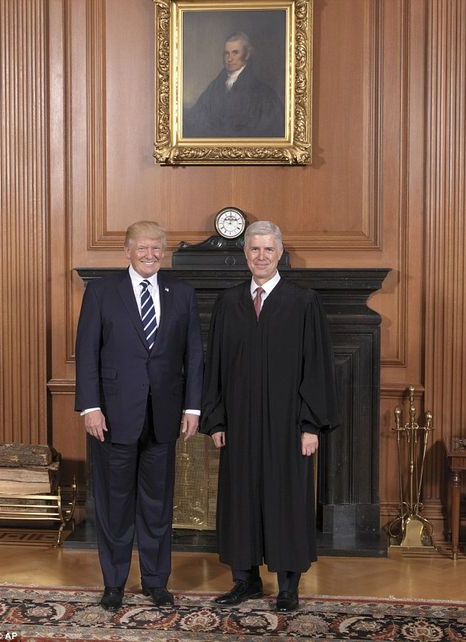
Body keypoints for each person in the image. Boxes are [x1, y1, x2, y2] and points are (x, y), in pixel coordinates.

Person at [200, 221, 340, 612]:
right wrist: (217, 420)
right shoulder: (229, 303)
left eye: (267, 250)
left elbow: (316, 367)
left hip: (288, 424)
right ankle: (245, 581)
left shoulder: (302, 302)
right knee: (240, 497)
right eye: (254, 250)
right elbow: (216, 368)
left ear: (280, 253)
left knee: (287, 499)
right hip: (240, 423)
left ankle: (288, 587)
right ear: (245, 254)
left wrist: (310, 425)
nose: (260, 257)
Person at [75, 220, 203, 611]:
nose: (150, 255)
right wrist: (90, 406)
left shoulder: (181, 292)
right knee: (115, 504)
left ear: (163, 253)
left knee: (157, 504)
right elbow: (87, 353)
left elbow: (193, 353)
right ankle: (114, 582)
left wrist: (193, 407)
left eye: (157, 249)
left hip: (164, 416)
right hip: (112, 417)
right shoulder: (101, 292)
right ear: (127, 251)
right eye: (143, 248)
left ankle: (155, 580)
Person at [183, 32, 285, 138]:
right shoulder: (215, 86)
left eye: (235, 53)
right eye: (227, 53)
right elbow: (198, 115)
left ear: (247, 54)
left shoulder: (264, 94)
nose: (229, 59)